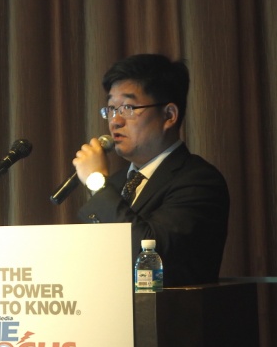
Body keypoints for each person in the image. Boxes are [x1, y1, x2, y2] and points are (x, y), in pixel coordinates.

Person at [73, 54, 229, 287]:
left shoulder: (198, 181)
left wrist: (97, 182)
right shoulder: (115, 184)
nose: (115, 121)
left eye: (128, 108)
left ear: (169, 115)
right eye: (111, 109)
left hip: (170, 310)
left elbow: (149, 259)